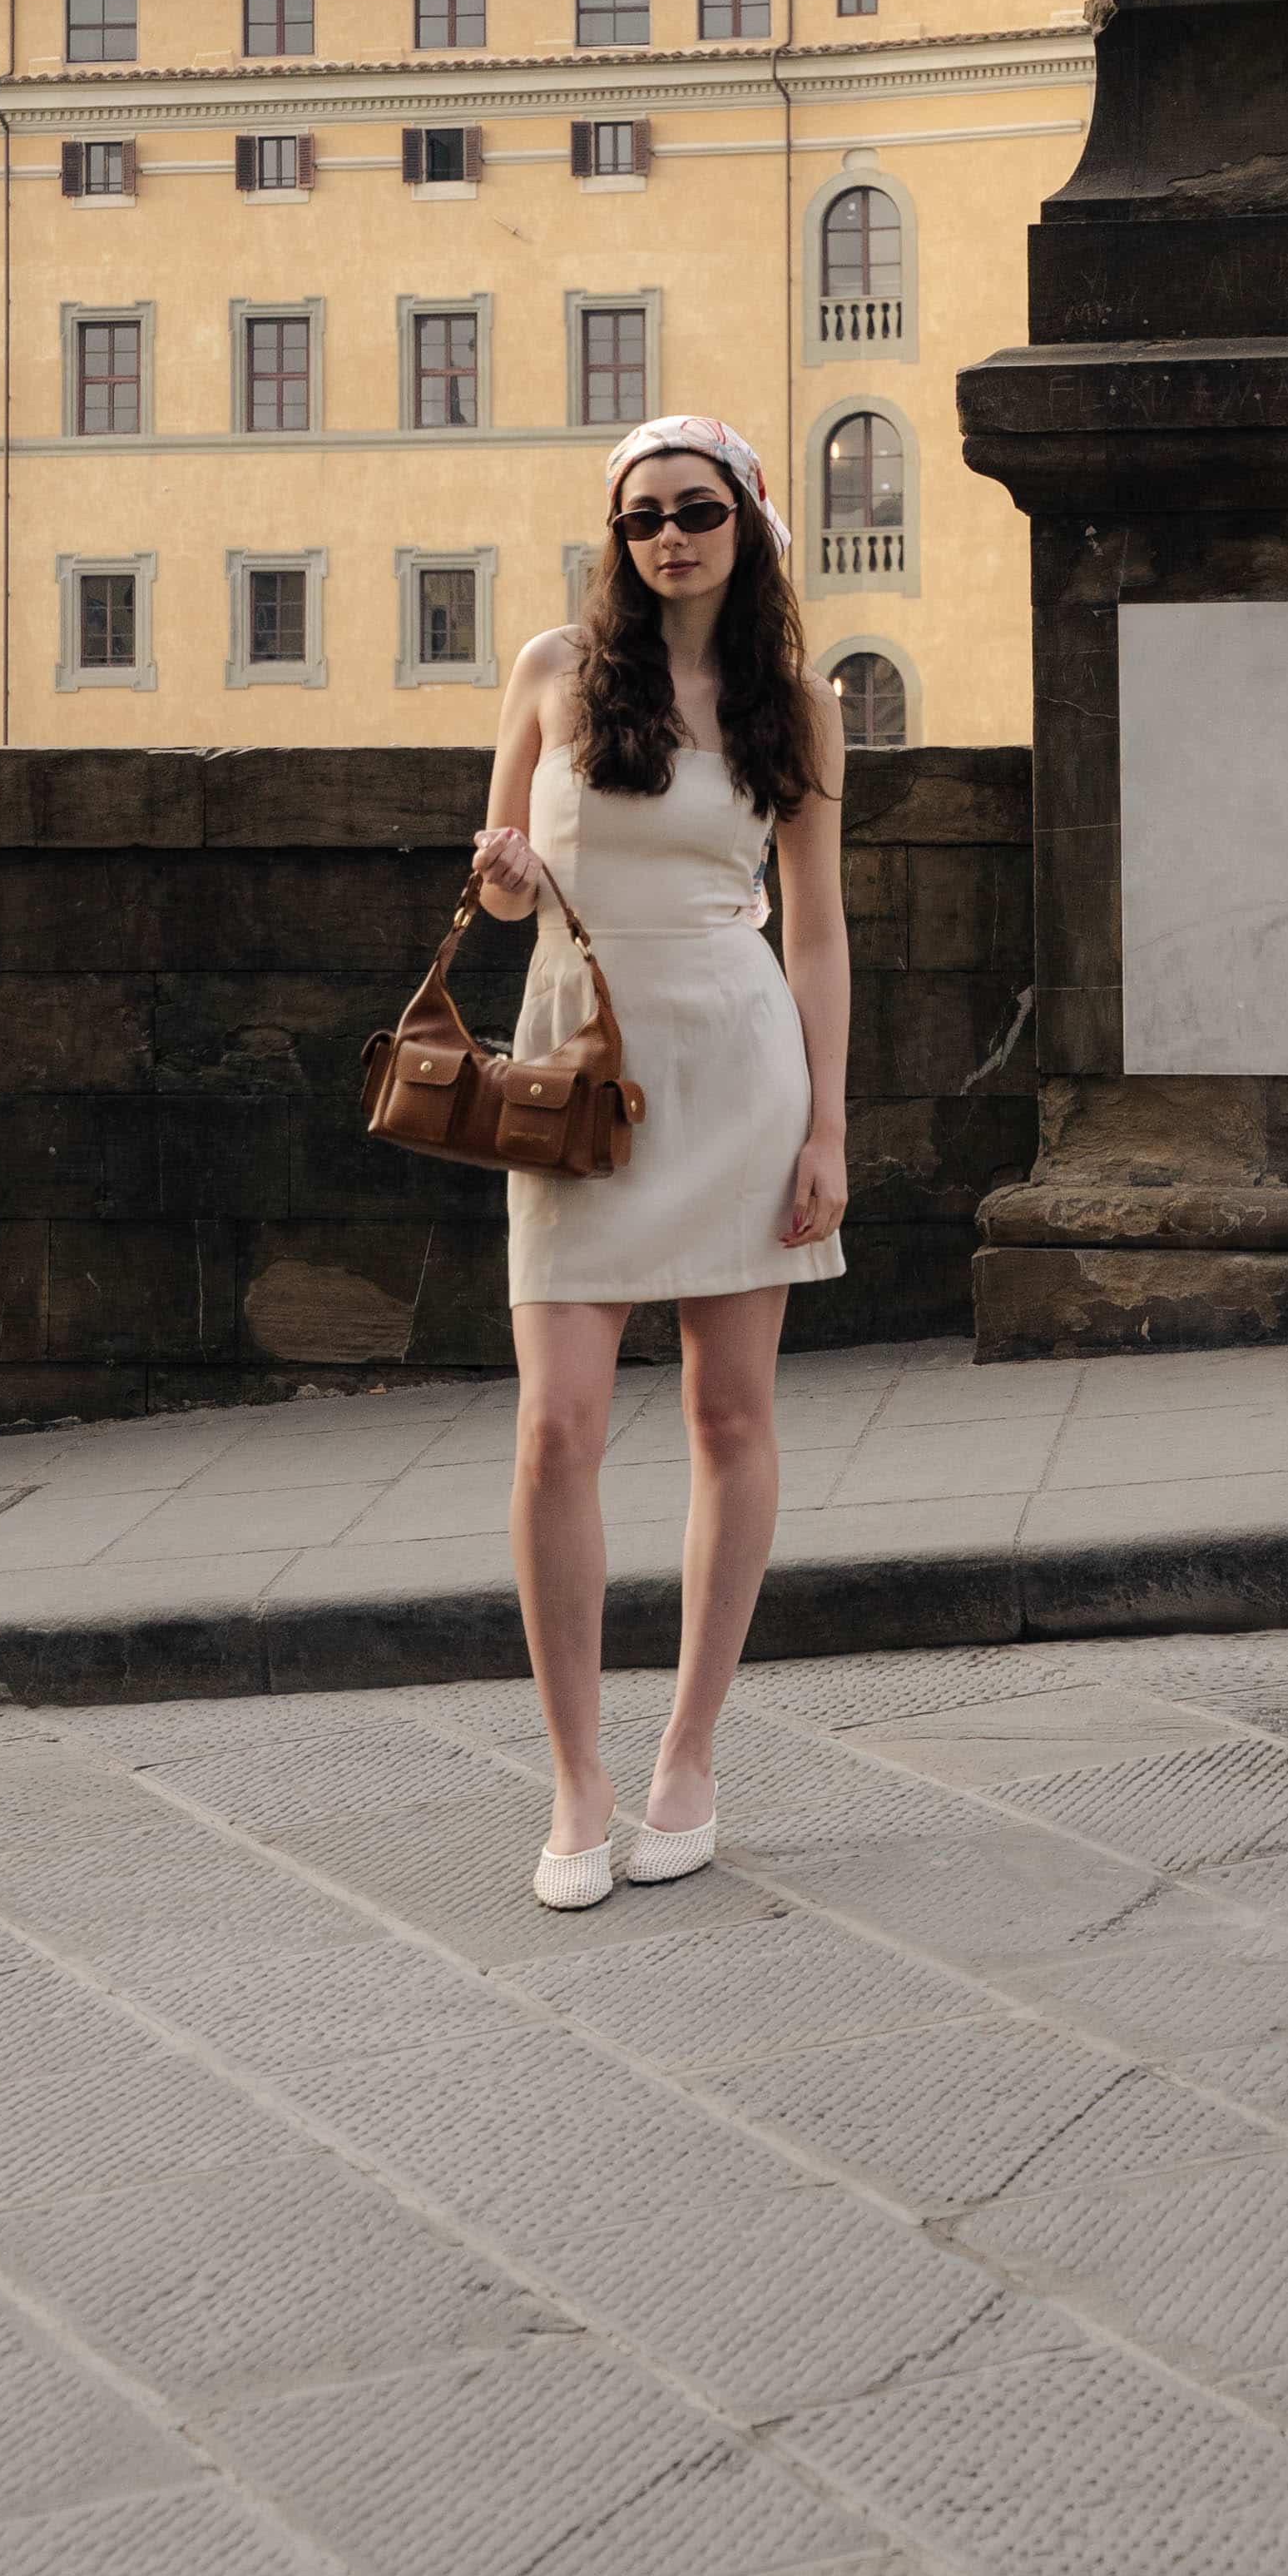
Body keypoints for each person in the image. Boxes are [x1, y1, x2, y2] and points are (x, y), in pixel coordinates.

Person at [473, 415, 849, 1910]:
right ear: (616, 536)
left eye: (696, 510)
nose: (670, 536)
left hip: (738, 1061)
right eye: (642, 517)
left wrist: (828, 1127)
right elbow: (508, 885)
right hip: (580, 1070)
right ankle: (576, 1777)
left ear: (745, 522)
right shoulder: (554, 671)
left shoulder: (795, 706)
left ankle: (688, 1752)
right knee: (556, 1424)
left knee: (729, 1412)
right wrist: (506, 873)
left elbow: (815, 930)